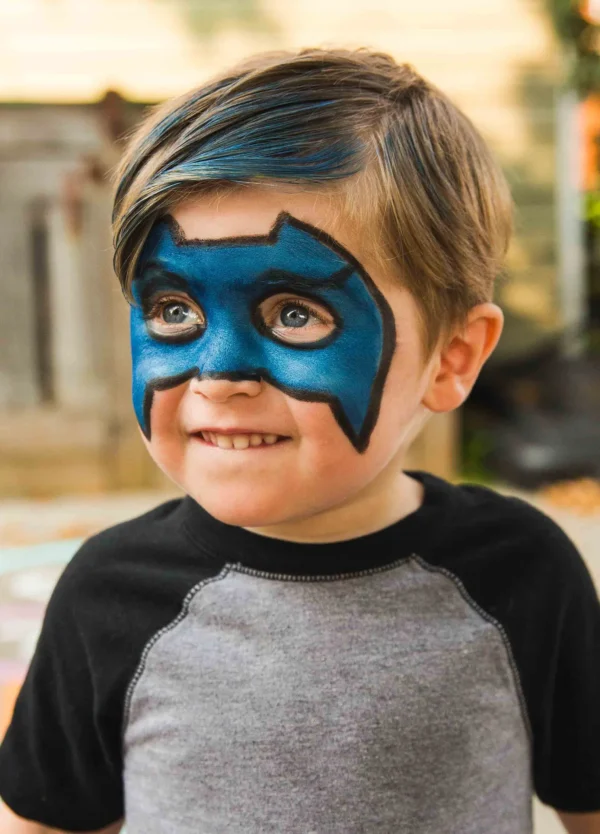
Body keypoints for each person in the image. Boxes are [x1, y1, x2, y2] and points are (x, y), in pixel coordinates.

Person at [0, 48, 599, 834]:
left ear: (451, 359)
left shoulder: (520, 573)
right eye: (175, 309)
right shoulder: (111, 593)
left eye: (293, 314)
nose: (219, 372)